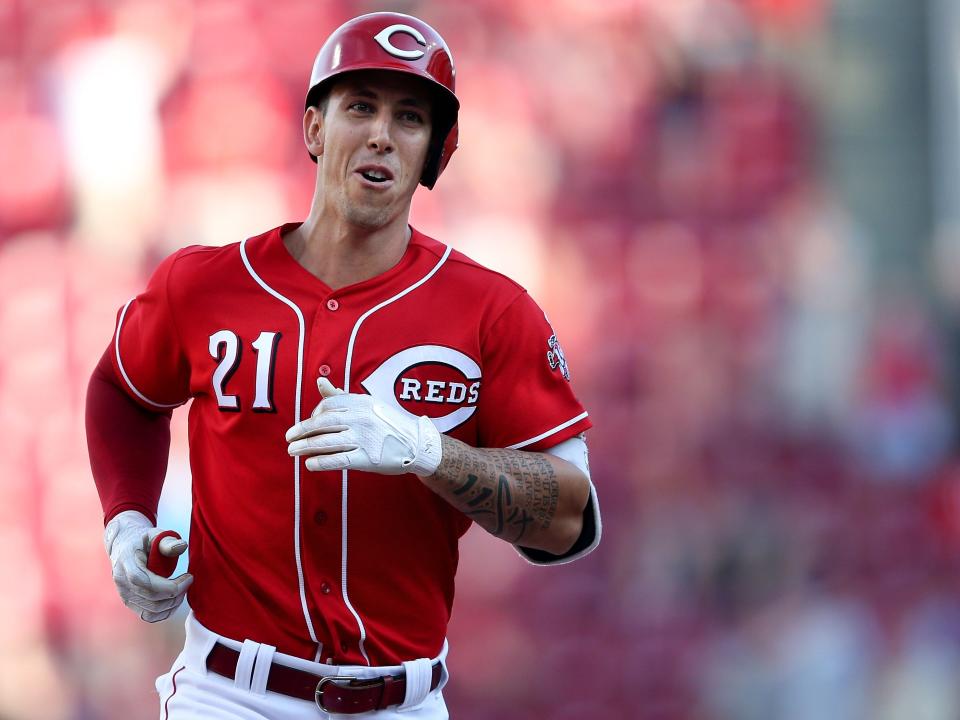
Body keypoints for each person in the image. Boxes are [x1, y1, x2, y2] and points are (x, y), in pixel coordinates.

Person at [85, 12, 600, 719]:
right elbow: (122, 389)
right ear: (314, 130)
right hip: (231, 692)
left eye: (411, 117)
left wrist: (432, 453)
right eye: (360, 106)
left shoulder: (493, 311)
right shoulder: (203, 284)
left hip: (403, 698)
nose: (383, 133)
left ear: (432, 156)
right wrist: (125, 521)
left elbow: (569, 516)